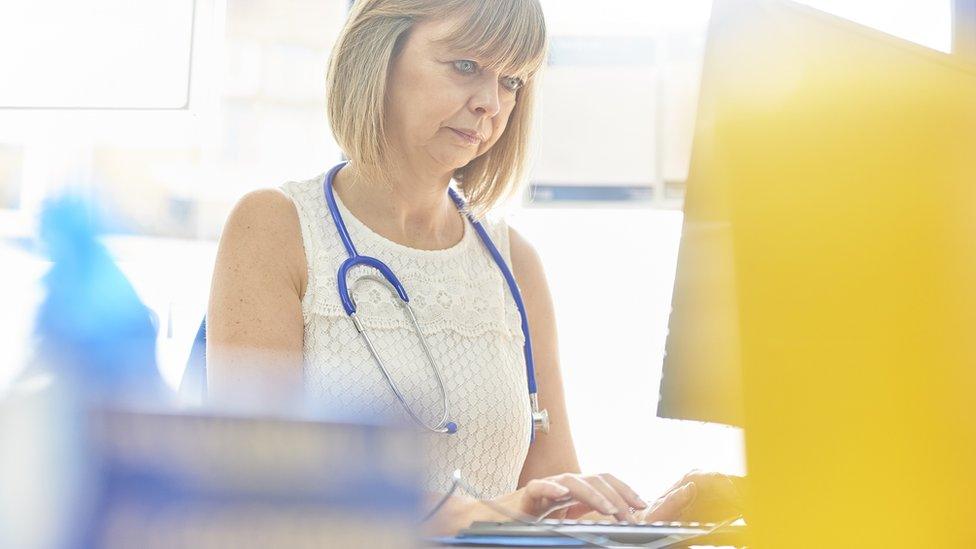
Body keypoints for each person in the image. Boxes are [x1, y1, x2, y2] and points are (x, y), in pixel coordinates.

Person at [206, 0, 743, 535]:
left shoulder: (516, 264)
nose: (490, 103)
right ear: (379, 57)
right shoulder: (276, 228)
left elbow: (552, 502)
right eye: (466, 67)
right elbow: (259, 479)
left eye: (512, 81)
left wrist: (648, 522)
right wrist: (488, 512)